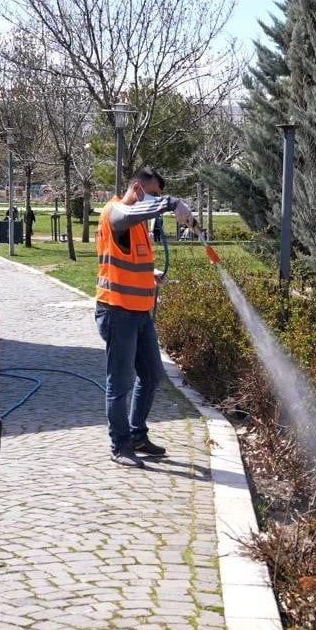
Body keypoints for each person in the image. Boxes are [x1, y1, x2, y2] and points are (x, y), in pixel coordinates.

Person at [95, 167, 193, 467]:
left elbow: (129, 259)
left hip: (139, 313)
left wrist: (149, 276)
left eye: (159, 198)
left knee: (152, 375)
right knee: (120, 383)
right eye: (152, 195)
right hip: (117, 311)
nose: (155, 203)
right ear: (137, 188)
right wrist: (170, 203)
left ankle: (137, 434)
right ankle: (120, 445)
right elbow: (123, 218)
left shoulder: (138, 225)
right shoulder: (116, 212)